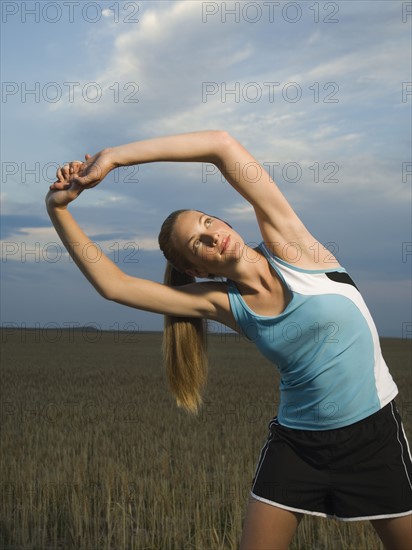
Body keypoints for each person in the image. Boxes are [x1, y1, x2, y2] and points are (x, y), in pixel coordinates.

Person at [46, 130, 411, 549]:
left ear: (223, 221)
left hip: (374, 434)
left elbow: (221, 145)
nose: (211, 236)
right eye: (197, 243)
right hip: (299, 446)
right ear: (198, 270)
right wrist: (57, 209)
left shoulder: (290, 244)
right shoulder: (221, 303)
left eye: (207, 222)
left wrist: (113, 157)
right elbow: (115, 286)